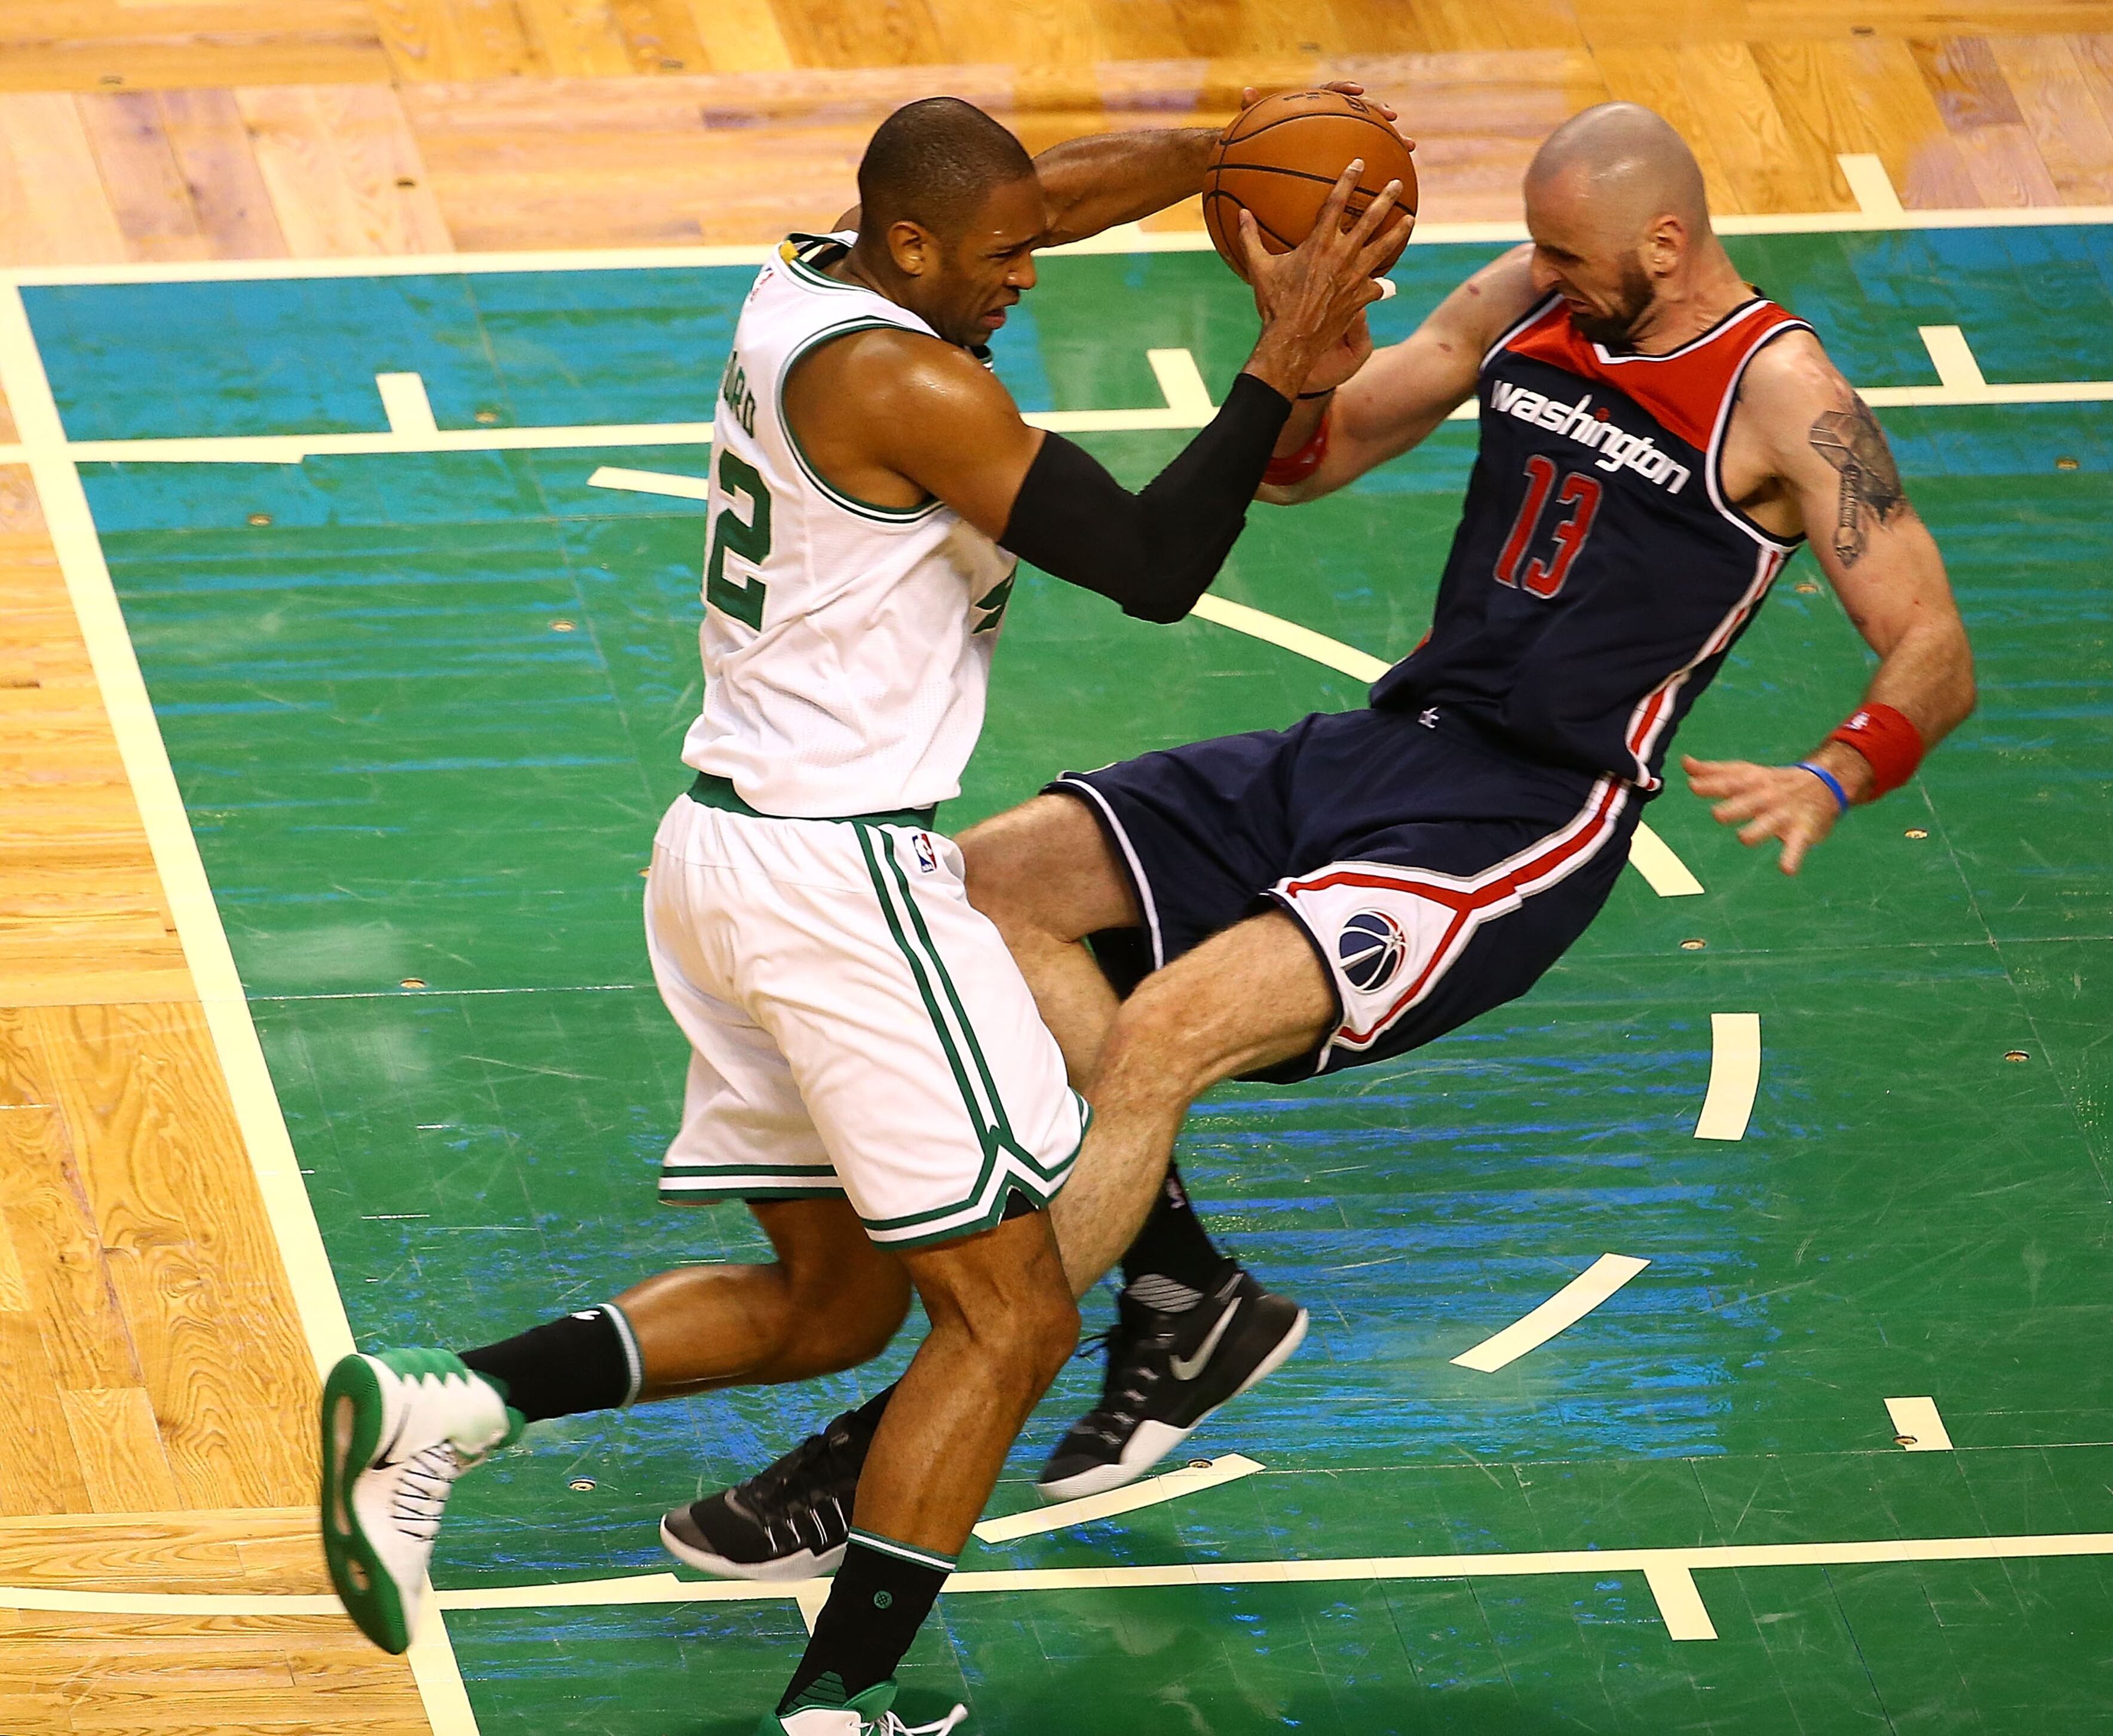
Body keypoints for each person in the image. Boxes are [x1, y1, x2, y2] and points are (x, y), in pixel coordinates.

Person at [675, 99, 1979, 1577]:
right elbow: (1314, 455)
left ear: (1666, 242)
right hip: (1386, 742)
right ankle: (1185, 1299)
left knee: (1161, 1035)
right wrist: (1285, 337)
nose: (1532, 267)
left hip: (1522, 820)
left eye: (1566, 247)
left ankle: (877, 1452)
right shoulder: (1535, 297)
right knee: (983, 884)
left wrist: (1839, 769)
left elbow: (1932, 643)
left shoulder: (1784, 393)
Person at [315, 94, 1407, 1735]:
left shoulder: (807, 279)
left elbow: (1021, 199)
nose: (1027, 277)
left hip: (722, 856)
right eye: (1000, 261)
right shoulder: (911, 379)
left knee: (838, 1305)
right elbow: (1156, 561)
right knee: (1020, 1313)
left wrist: (1212, 153)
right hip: (841, 886)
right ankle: (843, 1706)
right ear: (912, 249)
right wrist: (1282, 357)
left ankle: (450, 1402)